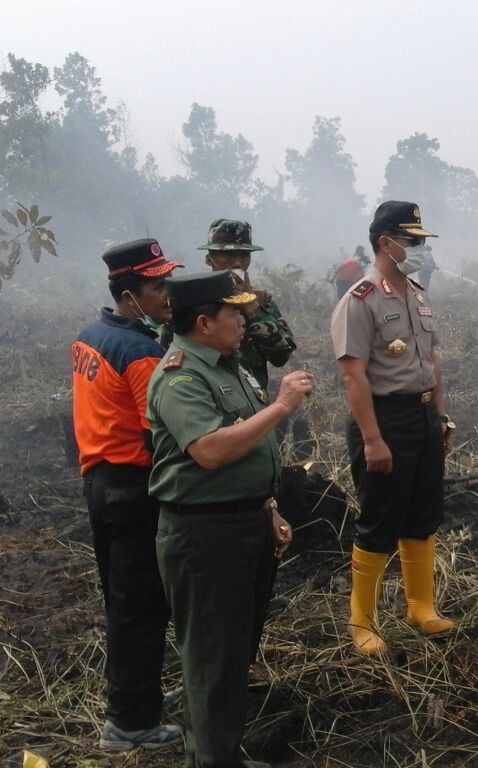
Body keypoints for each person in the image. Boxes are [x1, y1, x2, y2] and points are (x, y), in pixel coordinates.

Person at [147, 270, 313, 767]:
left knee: (233, 652)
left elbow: (249, 447)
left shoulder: (226, 366)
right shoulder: (180, 377)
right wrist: (282, 406)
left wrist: (268, 509)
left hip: (243, 525)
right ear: (203, 322)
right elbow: (211, 450)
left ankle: (219, 755)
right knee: (213, 660)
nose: (244, 321)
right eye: (233, 313)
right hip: (205, 536)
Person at [71, 239, 184, 751]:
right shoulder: (141, 352)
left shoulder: (91, 336)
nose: (167, 296)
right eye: (158, 287)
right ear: (130, 294)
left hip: (100, 484)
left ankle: (133, 701)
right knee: (141, 607)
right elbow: (157, 435)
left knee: (122, 602)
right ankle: (132, 724)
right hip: (135, 490)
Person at [330, 200, 454, 656]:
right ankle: (362, 620)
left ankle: (421, 605)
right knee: (380, 518)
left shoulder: (416, 293)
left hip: (422, 417)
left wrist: (440, 416)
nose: (418, 248)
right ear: (386, 243)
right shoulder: (359, 300)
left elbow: (431, 362)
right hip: (384, 420)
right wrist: (372, 439)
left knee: (423, 512)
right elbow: (353, 376)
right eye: (411, 240)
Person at [194, 218, 297, 390]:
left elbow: (281, 357)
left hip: (254, 399)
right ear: (209, 259)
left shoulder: (261, 300)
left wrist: (253, 311)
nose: (237, 263)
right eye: (228, 255)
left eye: (244, 255)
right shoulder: (193, 301)